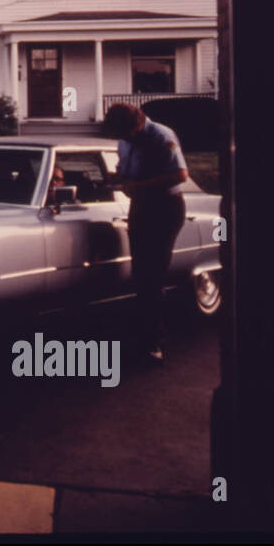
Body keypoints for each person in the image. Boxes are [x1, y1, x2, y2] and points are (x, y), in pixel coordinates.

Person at [104, 102, 190, 363]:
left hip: (165, 207)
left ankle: (154, 342)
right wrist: (119, 177)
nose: (125, 138)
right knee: (141, 274)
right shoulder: (123, 140)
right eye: (121, 134)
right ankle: (144, 335)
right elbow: (125, 170)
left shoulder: (162, 136)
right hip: (140, 206)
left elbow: (181, 174)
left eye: (128, 132)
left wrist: (139, 185)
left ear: (139, 121)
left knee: (152, 274)